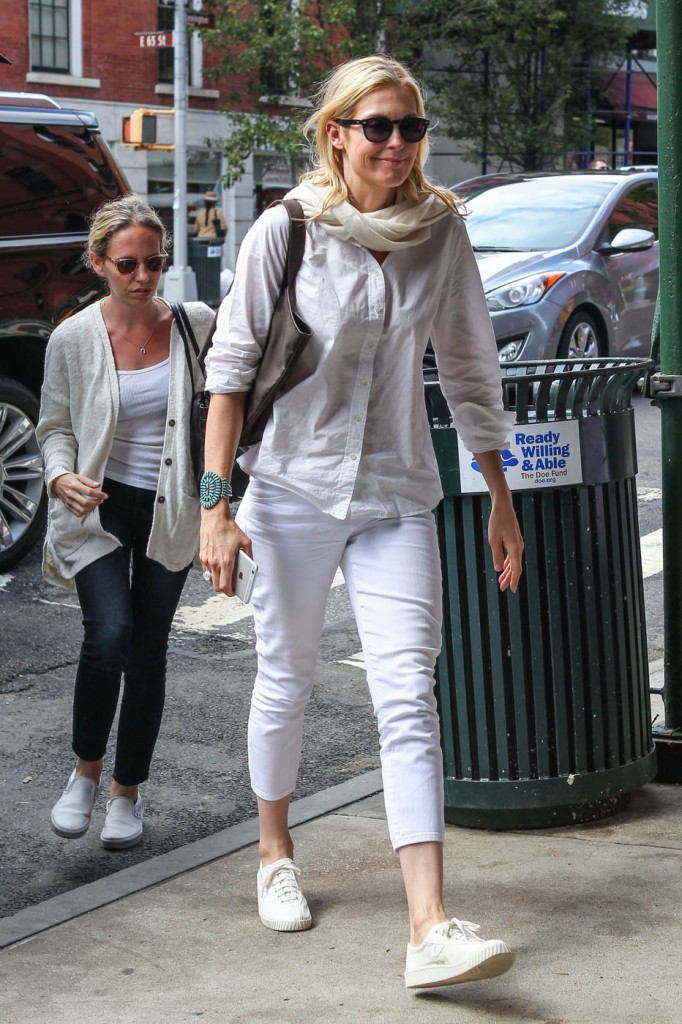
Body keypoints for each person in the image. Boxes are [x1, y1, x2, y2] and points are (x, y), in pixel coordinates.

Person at [199, 54, 524, 990]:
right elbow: (229, 375)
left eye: (410, 129)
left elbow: (469, 373)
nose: (395, 144)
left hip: (394, 494)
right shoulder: (284, 232)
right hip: (290, 489)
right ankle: (273, 852)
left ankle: (429, 926)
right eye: (376, 126)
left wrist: (499, 499)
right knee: (286, 679)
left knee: (407, 696)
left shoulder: (440, 235)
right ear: (336, 133)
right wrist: (217, 513)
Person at [37, 195, 214, 850]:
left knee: (147, 653)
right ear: (99, 263)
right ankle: (85, 773)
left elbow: (232, 406)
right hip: (98, 507)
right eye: (129, 264)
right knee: (108, 634)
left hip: (171, 508)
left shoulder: (196, 324)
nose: (143, 276)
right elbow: (53, 427)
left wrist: (223, 498)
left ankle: (126, 794)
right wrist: (60, 475)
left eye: (155, 262)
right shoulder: (73, 338)